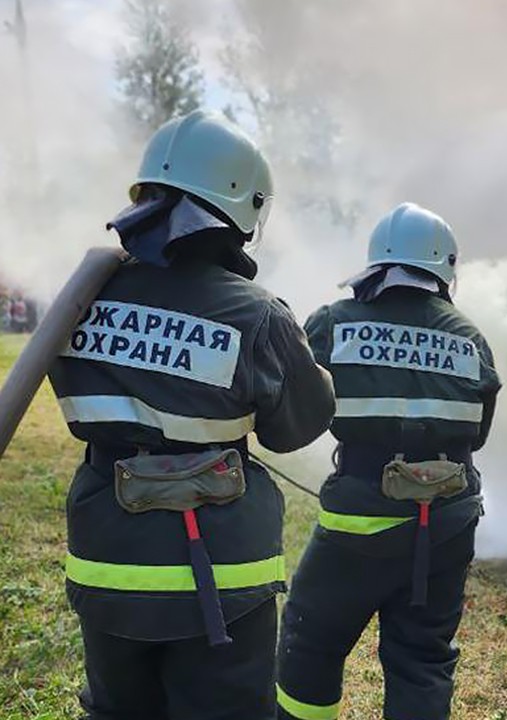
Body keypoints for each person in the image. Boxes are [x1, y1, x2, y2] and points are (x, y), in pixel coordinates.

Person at [47, 110, 336, 720]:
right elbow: (296, 430)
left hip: (108, 561)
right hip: (223, 576)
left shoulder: (79, 299)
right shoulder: (257, 314)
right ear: (244, 205)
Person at [277, 202, 501, 720]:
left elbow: (297, 409)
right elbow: (479, 436)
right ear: (445, 268)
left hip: (357, 525)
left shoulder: (335, 323)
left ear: (377, 263)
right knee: (423, 659)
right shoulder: (471, 340)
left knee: (311, 643)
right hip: (446, 525)